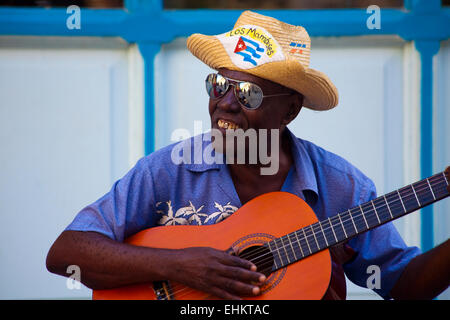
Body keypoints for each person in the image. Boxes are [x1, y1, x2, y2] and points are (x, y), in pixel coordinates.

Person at [46, 10, 450, 300]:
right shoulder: (169, 170)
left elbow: (405, 285)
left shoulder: (340, 187)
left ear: (290, 110)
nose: (225, 103)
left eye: (247, 93)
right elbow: (66, 253)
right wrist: (177, 266)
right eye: (218, 85)